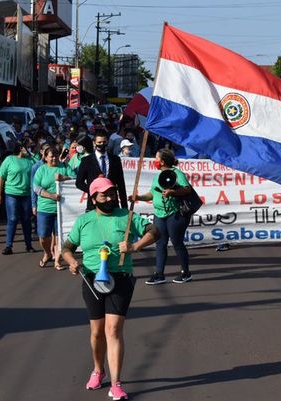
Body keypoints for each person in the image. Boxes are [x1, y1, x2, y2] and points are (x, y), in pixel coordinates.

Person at [62, 177, 158, 401]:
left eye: (112, 193)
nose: (109, 198)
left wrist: (135, 246)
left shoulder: (127, 216)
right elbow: (67, 247)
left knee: (113, 330)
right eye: (104, 194)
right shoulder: (84, 221)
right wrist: (72, 262)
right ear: (94, 198)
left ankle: (116, 384)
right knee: (97, 332)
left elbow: (155, 231)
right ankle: (98, 370)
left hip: (120, 278)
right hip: (92, 279)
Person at [130, 149, 193, 284]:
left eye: (156, 158)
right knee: (160, 244)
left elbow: (187, 189)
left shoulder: (177, 174)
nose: (155, 161)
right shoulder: (158, 176)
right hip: (159, 214)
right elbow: (152, 194)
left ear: (162, 161)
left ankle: (185, 272)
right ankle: (159, 274)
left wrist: (173, 192)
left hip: (174, 214)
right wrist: (138, 197)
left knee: (177, 243)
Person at [33, 146, 71, 269]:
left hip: (63, 209)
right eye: (51, 156)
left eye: (55, 155)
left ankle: (57, 261)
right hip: (44, 208)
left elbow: (75, 180)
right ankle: (48, 253)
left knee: (60, 236)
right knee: (44, 236)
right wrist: (51, 196)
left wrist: (63, 178)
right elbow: (36, 188)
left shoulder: (64, 167)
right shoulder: (41, 170)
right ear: (45, 157)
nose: (54, 158)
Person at [0, 141, 36, 255]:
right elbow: (1, 177)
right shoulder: (9, 159)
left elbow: (40, 166)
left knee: (26, 220)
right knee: (12, 219)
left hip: (26, 194)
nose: (28, 149)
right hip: (11, 194)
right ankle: (9, 246)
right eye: (27, 147)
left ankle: (28, 245)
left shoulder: (30, 161)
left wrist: (31, 155)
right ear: (20, 148)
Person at [76, 130, 128, 211]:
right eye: (99, 142)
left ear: (107, 142)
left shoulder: (115, 160)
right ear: (94, 143)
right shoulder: (86, 161)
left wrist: (124, 207)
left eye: (104, 142)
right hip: (94, 204)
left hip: (112, 203)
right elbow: (79, 183)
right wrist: (94, 191)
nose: (102, 144)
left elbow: (121, 184)